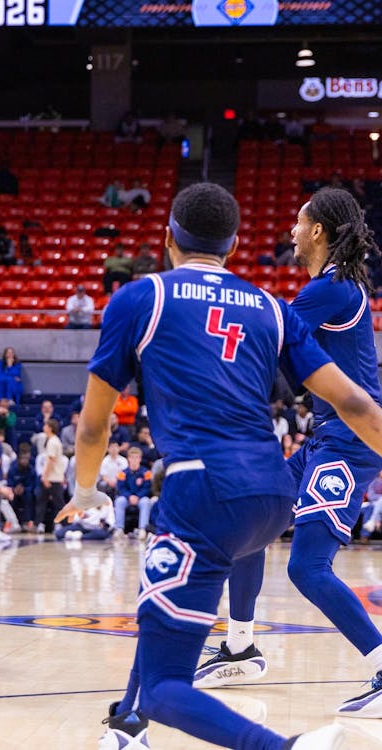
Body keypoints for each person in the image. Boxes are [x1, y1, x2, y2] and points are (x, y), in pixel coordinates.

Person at [56, 182, 382, 749]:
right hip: (281, 471)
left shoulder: (147, 298)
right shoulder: (273, 308)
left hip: (253, 470)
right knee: (234, 552)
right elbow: (348, 397)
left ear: (167, 238)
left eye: (300, 221)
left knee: (294, 574)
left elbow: (92, 425)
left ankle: (277, 723)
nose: (291, 231)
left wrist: (85, 492)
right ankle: (223, 655)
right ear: (233, 245)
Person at [196, 188, 382, 719]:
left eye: (298, 223)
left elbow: (267, 331)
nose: (291, 233)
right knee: (251, 519)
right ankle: (240, 647)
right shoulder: (329, 287)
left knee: (307, 567)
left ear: (318, 231)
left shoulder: (335, 288)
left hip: (349, 441)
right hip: (327, 435)